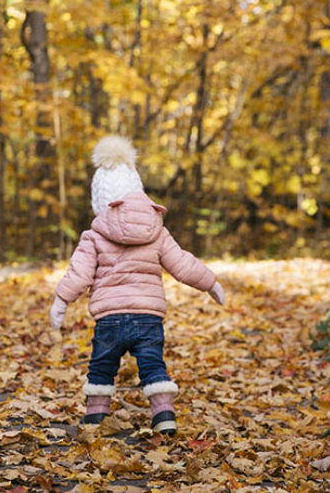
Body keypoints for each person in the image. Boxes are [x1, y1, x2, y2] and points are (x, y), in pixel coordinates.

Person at [49, 135, 225, 435]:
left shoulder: (93, 236)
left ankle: (95, 417)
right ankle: (164, 414)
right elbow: (182, 264)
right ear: (137, 192)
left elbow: (78, 275)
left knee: (101, 365)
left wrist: (61, 301)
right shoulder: (156, 231)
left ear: (100, 201)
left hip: (109, 319)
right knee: (153, 364)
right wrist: (211, 282)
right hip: (148, 317)